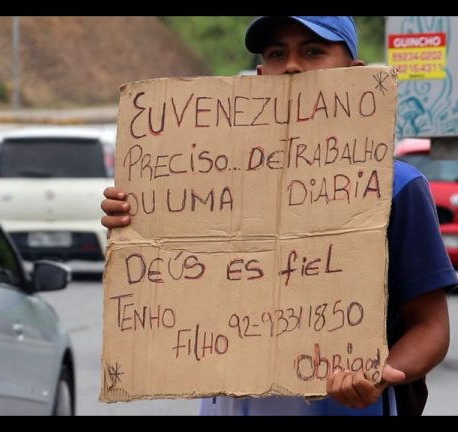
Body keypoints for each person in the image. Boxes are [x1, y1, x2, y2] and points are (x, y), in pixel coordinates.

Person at [100, 16, 456, 416]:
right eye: (275, 53)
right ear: (259, 75)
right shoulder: (205, 184)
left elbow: (430, 327)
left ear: (354, 73)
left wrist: (381, 374)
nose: (291, 66)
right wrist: (135, 224)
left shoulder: (396, 187)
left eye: (313, 51)